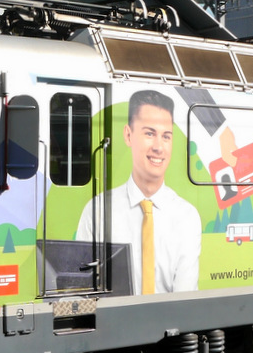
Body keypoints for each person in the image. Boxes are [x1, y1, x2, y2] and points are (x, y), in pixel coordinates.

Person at [76, 90, 201, 293]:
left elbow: (185, 300)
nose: (159, 147)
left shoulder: (187, 217)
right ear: (128, 135)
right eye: (149, 134)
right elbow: (80, 288)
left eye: (166, 136)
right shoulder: (97, 212)